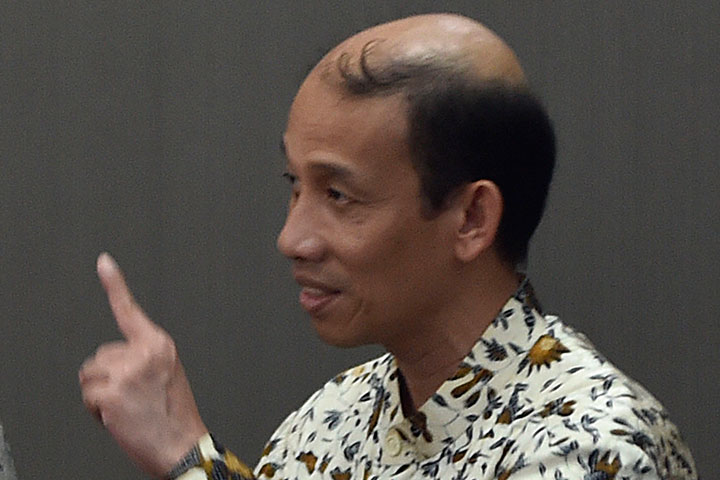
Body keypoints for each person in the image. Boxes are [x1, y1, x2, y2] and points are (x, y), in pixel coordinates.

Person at [78, 13, 697, 480]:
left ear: (472, 219)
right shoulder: (330, 419)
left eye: (339, 195)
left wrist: (189, 458)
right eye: (295, 186)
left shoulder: (589, 445)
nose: (292, 238)